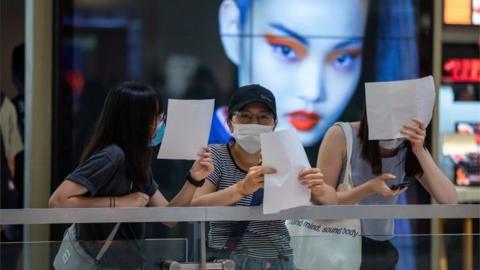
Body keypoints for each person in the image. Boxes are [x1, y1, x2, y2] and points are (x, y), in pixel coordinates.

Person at [48, 82, 213, 269]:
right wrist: (119, 203)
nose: (161, 124)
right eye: (156, 118)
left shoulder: (136, 161)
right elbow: (58, 201)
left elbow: (169, 217)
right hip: (100, 262)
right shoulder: (112, 156)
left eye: (161, 117)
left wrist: (193, 179)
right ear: (136, 121)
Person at [211, 0, 419, 147]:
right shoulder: (201, 155)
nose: (312, 91)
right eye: (286, 50)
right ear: (233, 29)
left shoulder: (349, 155)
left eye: (342, 59)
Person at [192, 84, 337, 270]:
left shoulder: (287, 155)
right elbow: (194, 206)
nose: (254, 123)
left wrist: (319, 189)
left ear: (274, 124)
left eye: (263, 117)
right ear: (230, 122)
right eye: (245, 116)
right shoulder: (214, 156)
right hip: (229, 261)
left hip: (280, 259)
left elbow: (332, 200)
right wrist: (241, 189)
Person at [316, 104, 458, 269]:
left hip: (380, 246)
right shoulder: (342, 135)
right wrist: (369, 188)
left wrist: (420, 150)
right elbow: (323, 202)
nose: (392, 131)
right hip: (338, 242)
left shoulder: (407, 147)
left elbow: (449, 199)